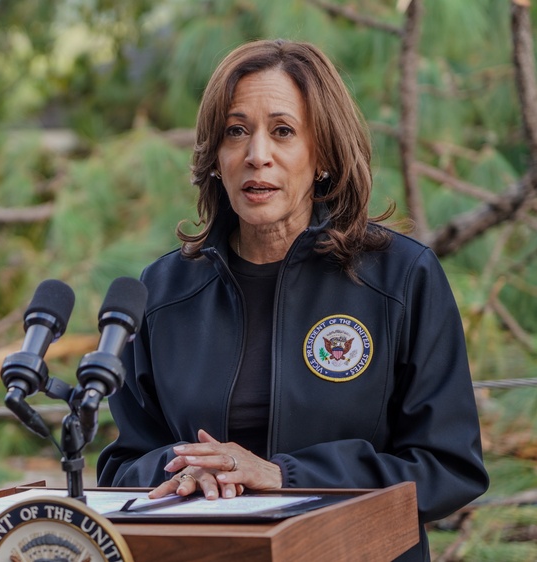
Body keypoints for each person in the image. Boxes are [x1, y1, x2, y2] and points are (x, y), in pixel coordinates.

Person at [96, 39, 488, 561]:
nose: (258, 155)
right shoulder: (163, 293)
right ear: (215, 156)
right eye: (236, 131)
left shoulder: (402, 278)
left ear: (322, 153)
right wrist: (185, 465)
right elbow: (121, 470)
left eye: (283, 131)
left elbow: (449, 467)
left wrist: (285, 477)